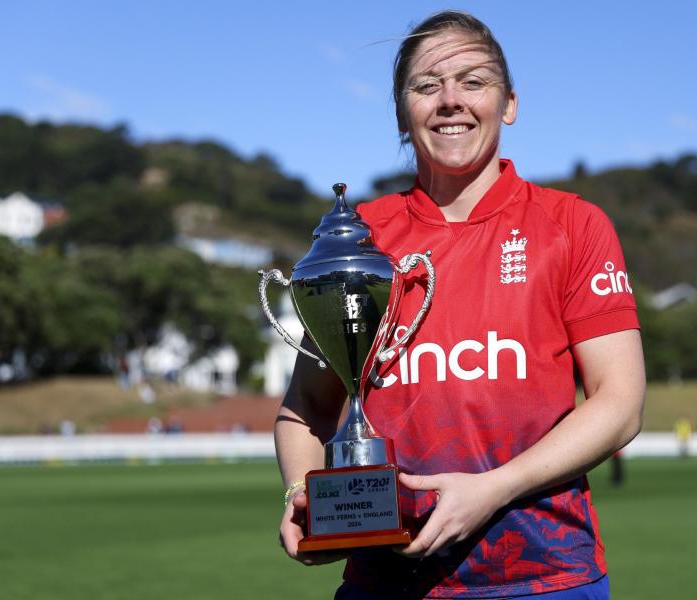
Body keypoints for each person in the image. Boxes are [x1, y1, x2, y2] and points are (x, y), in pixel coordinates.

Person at [276, 10, 646, 599]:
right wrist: (303, 494)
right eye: (427, 85)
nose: (451, 100)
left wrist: (495, 487)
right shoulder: (359, 243)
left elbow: (620, 404)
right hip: (384, 581)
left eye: (473, 81)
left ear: (510, 103)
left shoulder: (573, 225)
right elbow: (306, 406)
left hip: (544, 579)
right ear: (402, 113)